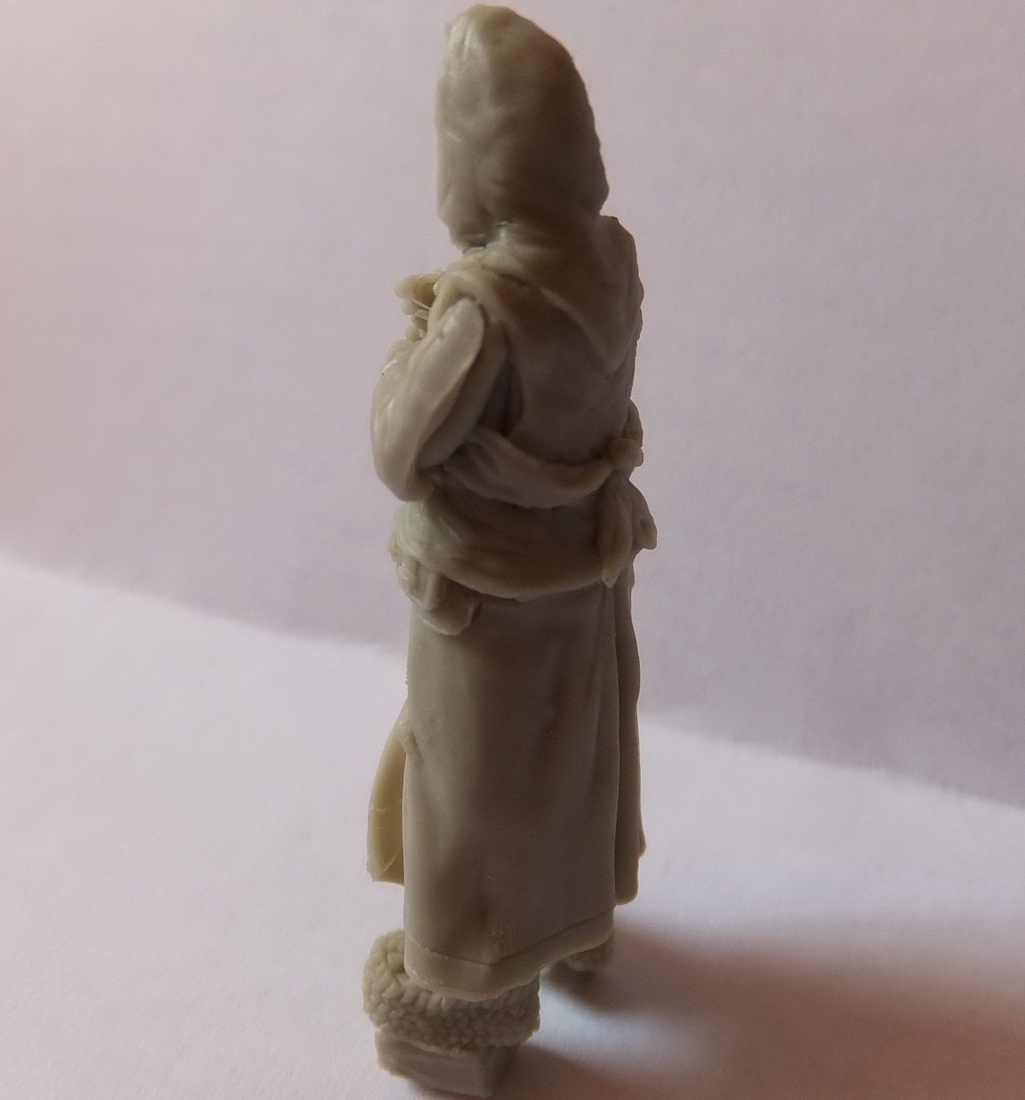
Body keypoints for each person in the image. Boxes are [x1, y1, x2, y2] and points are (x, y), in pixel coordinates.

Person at [363, 7, 655, 1095]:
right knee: (570, 764)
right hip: (583, 570)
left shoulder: (484, 308)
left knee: (472, 804)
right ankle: (575, 928)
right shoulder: (610, 260)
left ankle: (457, 1011)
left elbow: (398, 453)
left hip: (483, 594)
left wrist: (415, 337)